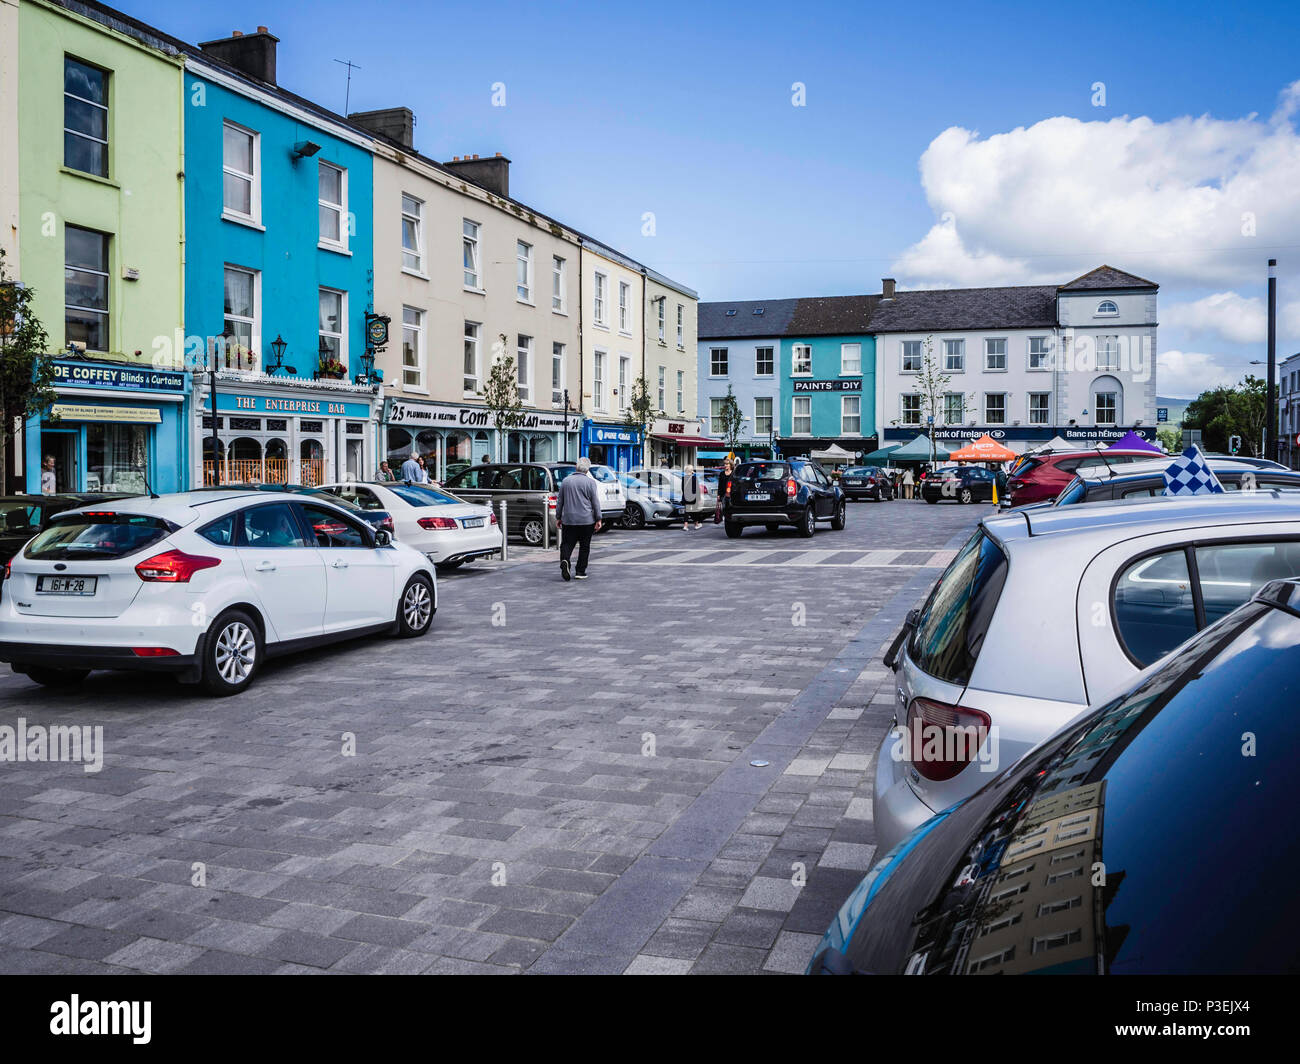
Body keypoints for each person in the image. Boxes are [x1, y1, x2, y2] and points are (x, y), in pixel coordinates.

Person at [556, 456, 603, 580]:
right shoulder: (590, 483)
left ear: (576, 467)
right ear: (587, 470)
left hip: (569, 519)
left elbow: (560, 501)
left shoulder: (565, 481)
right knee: (584, 546)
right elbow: (595, 503)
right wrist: (598, 518)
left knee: (566, 544)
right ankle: (580, 571)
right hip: (586, 520)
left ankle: (565, 560)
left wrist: (558, 517)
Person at [714, 457, 733, 523]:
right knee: (723, 506)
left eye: (727, 464)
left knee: (729, 506)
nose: (726, 465)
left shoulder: (733, 473)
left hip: (731, 493)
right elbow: (720, 484)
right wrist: (718, 495)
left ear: (730, 464)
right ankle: (724, 517)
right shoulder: (722, 473)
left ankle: (728, 517)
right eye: (725, 464)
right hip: (723, 493)